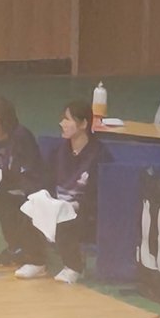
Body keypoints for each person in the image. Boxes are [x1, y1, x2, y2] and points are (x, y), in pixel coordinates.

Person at [15, 100, 104, 283]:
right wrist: (44, 199)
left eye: (67, 119)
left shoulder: (99, 155)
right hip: (57, 205)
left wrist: (75, 205)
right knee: (28, 209)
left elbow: (99, 195)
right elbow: (46, 181)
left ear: (83, 124)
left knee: (66, 220)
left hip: (84, 212)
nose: (62, 123)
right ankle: (36, 261)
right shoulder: (58, 151)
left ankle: (73, 267)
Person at [0, 96, 47, 266]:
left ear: (4, 117)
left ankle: (18, 248)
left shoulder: (21, 136)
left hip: (28, 187)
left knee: (6, 202)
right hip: (3, 184)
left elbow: (29, 172)